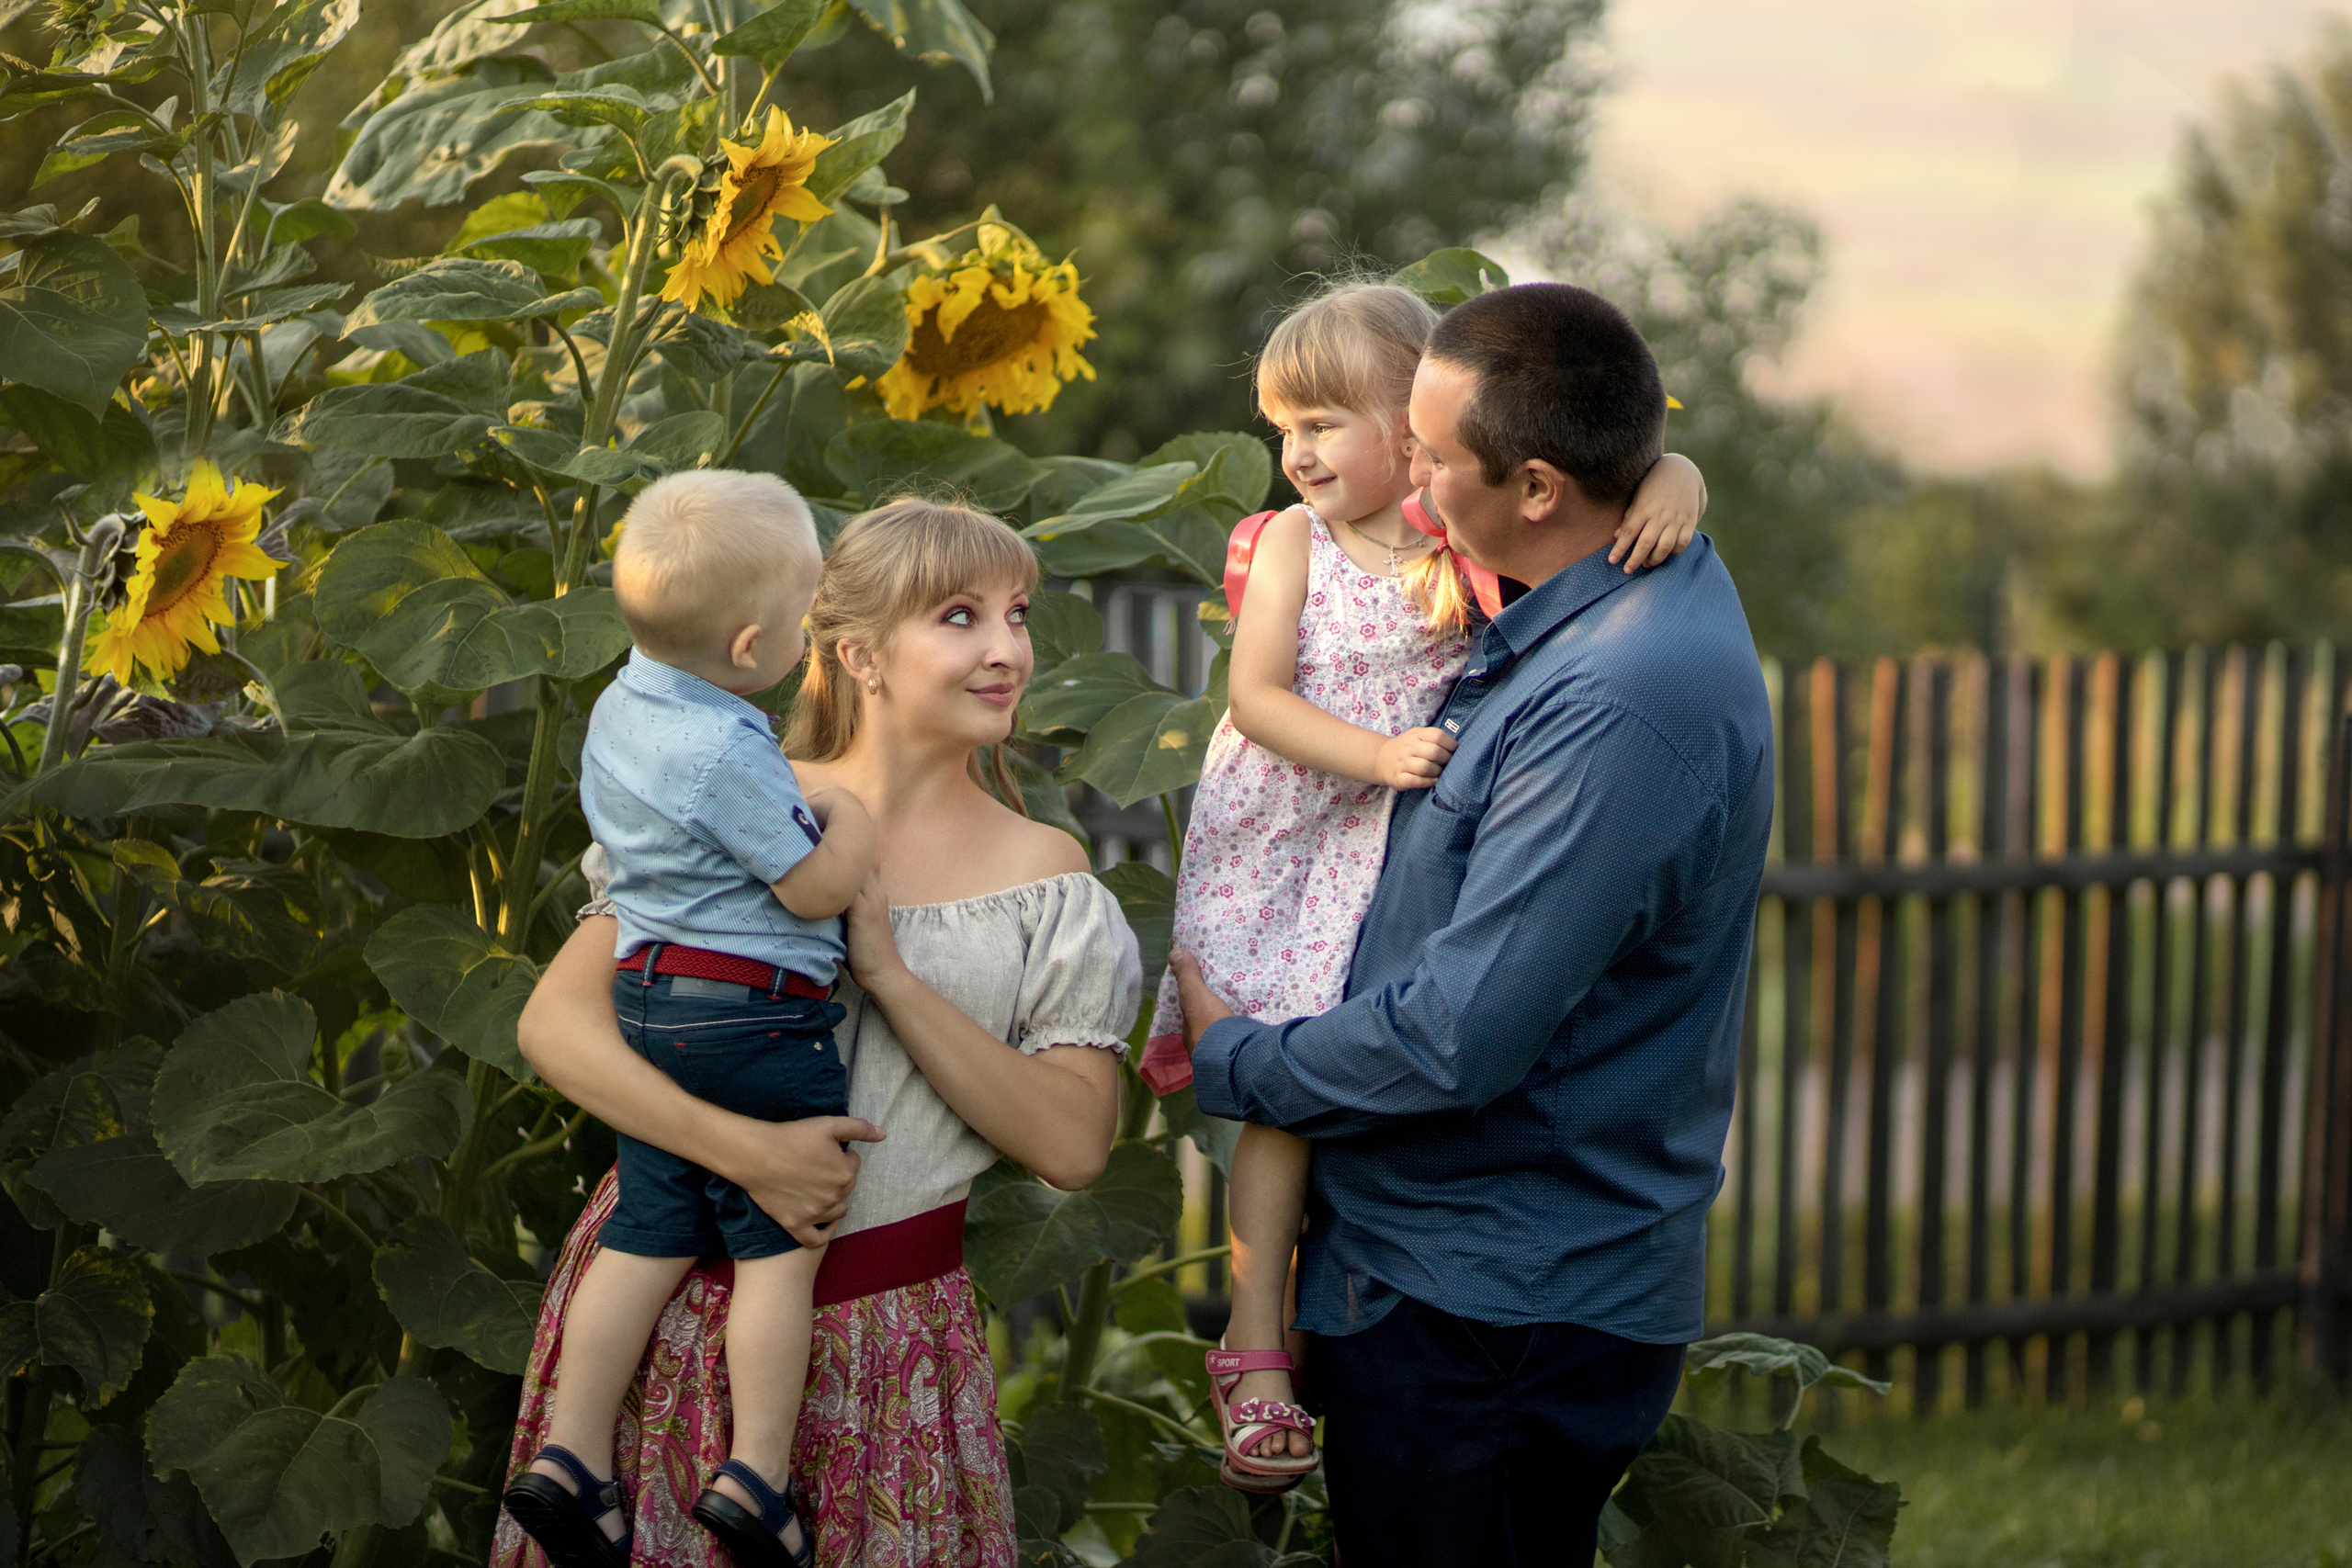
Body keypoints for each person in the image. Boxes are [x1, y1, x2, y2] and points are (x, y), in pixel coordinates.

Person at [1171, 282, 1775, 1567]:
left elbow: (1459, 1035)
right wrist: (1672, 464)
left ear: (1541, 486)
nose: (1417, 482)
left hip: (1495, 1305)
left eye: (1435, 456)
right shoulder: (1583, 588)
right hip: (1456, 1276)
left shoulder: (1616, 700)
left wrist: (1239, 1056)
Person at [492, 498, 1141, 1568]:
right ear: (858, 653)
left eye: (1017, 615)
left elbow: (1073, 1147)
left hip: (887, 1341)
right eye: (959, 617)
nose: (1006, 650)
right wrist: (750, 1154)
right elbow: (557, 1027)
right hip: (662, 1300)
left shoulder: (1045, 874)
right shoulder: (737, 802)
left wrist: (886, 975)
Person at [503, 472, 875, 1568]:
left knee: (645, 1233)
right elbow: (810, 889)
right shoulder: (728, 750)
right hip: (755, 1015)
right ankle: (756, 1475)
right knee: (777, 1251)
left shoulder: (623, 706)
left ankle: (571, 1455)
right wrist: (845, 818)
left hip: (650, 1001)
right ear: (754, 645)